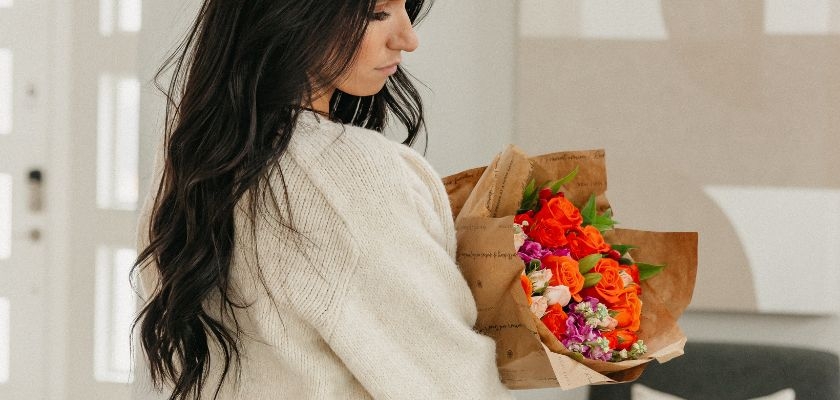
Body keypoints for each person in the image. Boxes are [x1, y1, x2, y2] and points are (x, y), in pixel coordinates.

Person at [133, 0, 515, 399]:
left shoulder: (190, 159)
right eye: (378, 14)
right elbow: (452, 383)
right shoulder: (351, 175)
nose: (409, 38)